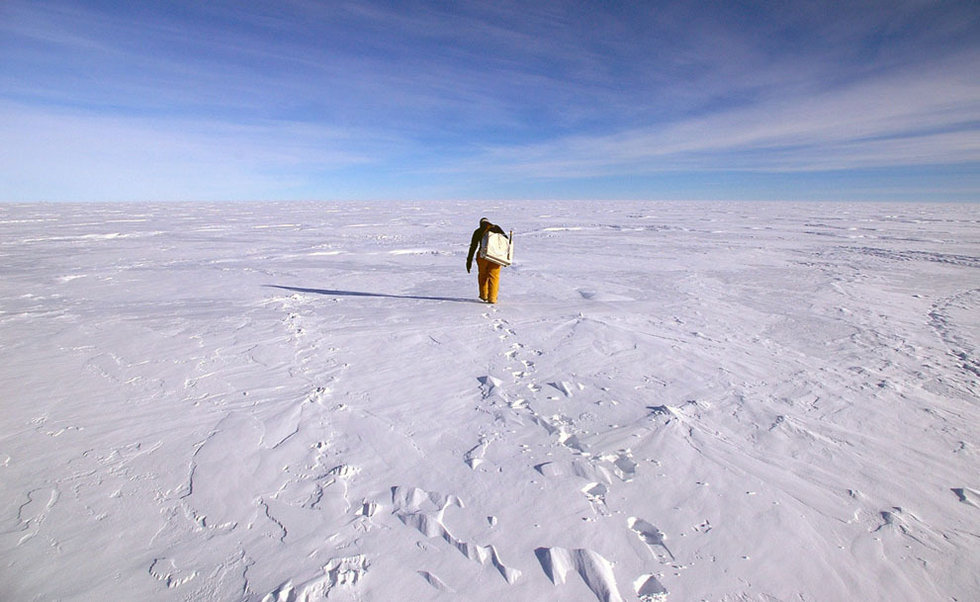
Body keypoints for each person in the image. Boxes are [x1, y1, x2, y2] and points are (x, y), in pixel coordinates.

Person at [466, 217, 507, 304]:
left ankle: (484, 295)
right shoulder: (497, 228)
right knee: (494, 277)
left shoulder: (478, 231)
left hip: (482, 256)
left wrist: (469, 261)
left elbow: (473, 246)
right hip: (496, 257)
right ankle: (492, 298)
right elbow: (505, 240)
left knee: (483, 275)